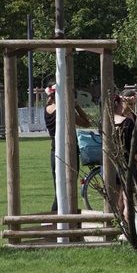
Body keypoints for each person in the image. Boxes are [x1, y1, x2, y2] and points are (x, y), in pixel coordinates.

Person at [43, 84, 91, 212]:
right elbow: (87, 123)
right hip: (69, 151)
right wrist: (77, 106)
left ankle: (55, 219)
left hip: (54, 151)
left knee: (58, 189)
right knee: (68, 189)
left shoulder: (47, 108)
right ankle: (56, 219)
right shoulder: (65, 110)